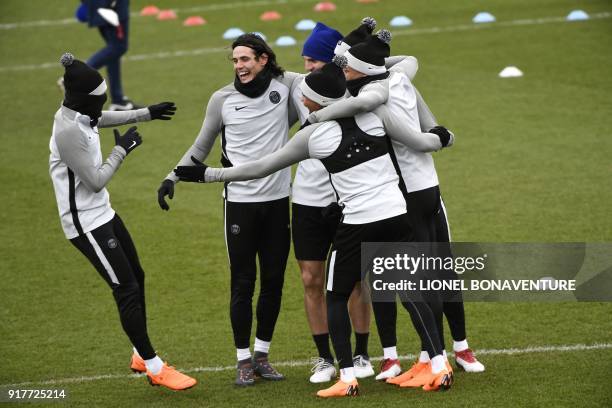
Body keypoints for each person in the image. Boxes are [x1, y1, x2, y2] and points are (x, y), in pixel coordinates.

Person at [174, 58, 454, 397]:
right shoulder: (376, 115)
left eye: (305, 96)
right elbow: (421, 140)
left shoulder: (312, 136)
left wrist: (208, 175)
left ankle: (347, 377)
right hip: (397, 214)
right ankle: (440, 365)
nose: (301, 99)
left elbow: (261, 167)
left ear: (316, 102)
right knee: (409, 291)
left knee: (335, 296)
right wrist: (444, 136)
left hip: (358, 223)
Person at [308, 28, 484, 381]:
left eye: (347, 67)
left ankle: (435, 357)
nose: (341, 72)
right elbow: (402, 62)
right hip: (423, 188)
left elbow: (349, 95)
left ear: (361, 71)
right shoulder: (397, 77)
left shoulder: (372, 93)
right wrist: (360, 48)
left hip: (404, 196)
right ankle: (433, 352)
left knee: (415, 278)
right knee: (422, 273)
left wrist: (316, 118)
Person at [157, 34, 302, 386]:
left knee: (273, 281)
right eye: (235, 61)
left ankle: (263, 355)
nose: (239, 66)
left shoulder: (286, 89)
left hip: (278, 202)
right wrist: (171, 177)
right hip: (239, 205)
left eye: (245, 59)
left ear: (264, 59)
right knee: (242, 283)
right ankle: (242, 360)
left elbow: (317, 79)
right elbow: (201, 145)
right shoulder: (222, 100)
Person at [49, 53, 195, 391]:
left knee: (137, 277)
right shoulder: (67, 130)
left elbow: (101, 119)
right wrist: (122, 151)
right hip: (85, 224)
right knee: (125, 288)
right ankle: (155, 366)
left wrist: (147, 114)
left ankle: (139, 355)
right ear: (84, 100)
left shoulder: (80, 113)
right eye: (97, 101)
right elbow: (95, 180)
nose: (101, 106)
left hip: (103, 214)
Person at [291, 20, 374, 383]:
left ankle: (361, 353)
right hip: (307, 200)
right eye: (305, 59)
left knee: (355, 280)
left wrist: (353, 41)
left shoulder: (357, 91)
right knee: (311, 278)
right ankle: (324, 359)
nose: (308, 66)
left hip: (348, 199)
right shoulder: (298, 87)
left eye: (314, 59)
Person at [81, 0, 141, 110]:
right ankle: (78, 75)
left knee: (113, 50)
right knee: (118, 47)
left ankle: (118, 100)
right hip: (112, 6)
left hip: (99, 5)